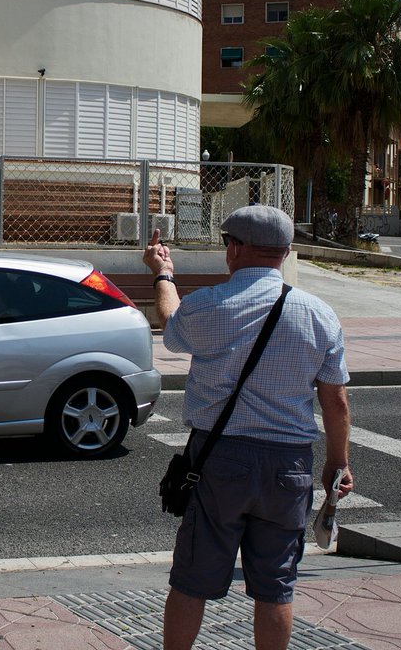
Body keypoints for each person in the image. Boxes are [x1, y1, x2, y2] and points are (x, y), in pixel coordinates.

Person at [141, 204, 352, 650]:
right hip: (289, 464)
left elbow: (171, 324)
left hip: (221, 459)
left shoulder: (211, 304)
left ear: (234, 248)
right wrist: (338, 464)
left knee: (193, 579)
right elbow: (334, 400)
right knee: (276, 585)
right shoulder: (319, 313)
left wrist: (163, 272)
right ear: (286, 251)